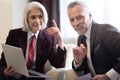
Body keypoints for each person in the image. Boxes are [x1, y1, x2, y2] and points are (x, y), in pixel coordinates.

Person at [0, 1, 66, 80]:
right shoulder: (14, 35)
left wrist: (60, 39)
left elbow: (59, 65)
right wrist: (4, 71)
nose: (37, 21)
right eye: (33, 17)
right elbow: (3, 62)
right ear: (26, 19)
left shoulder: (48, 38)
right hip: (15, 76)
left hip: (35, 78)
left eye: (40, 16)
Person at [67, 1, 120, 80]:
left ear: (90, 15)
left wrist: (109, 76)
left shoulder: (105, 31)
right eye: (72, 20)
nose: (75, 23)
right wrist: (78, 61)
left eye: (79, 17)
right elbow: (81, 71)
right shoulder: (81, 38)